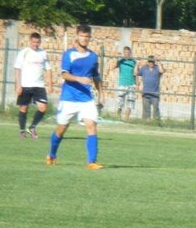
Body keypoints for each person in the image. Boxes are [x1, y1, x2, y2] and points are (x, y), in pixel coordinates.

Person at [46, 24, 103, 169]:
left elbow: (96, 77)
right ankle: (51, 155)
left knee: (91, 125)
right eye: (82, 36)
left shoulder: (93, 57)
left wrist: (101, 94)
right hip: (69, 98)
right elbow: (64, 74)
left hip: (86, 98)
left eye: (87, 36)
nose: (84, 38)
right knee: (61, 129)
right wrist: (79, 79)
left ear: (90, 38)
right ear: (77, 36)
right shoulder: (69, 54)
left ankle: (92, 162)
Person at [13, 32, 51, 139]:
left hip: (39, 86)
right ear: (30, 41)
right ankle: (22, 131)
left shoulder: (43, 53)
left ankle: (32, 127)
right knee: (24, 108)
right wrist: (18, 85)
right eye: (34, 42)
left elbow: (48, 69)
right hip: (25, 85)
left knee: (43, 108)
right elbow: (17, 69)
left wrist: (50, 84)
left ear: (40, 42)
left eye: (37, 42)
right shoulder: (24, 52)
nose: (36, 44)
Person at [137, 56, 163, 123]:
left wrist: (159, 62)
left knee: (156, 109)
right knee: (146, 110)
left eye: (152, 62)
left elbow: (161, 71)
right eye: (150, 62)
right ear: (148, 62)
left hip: (155, 93)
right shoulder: (144, 68)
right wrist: (137, 63)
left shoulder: (157, 68)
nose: (151, 63)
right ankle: (145, 122)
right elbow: (135, 73)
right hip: (146, 93)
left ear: (154, 62)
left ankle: (156, 122)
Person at [114, 47, 137, 120]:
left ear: (130, 53)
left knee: (130, 103)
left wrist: (137, 84)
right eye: (126, 52)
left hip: (131, 84)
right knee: (120, 103)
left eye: (128, 53)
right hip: (122, 83)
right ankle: (118, 117)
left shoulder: (133, 62)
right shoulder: (121, 61)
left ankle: (126, 119)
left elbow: (136, 73)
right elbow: (113, 66)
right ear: (124, 53)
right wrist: (116, 58)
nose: (127, 54)